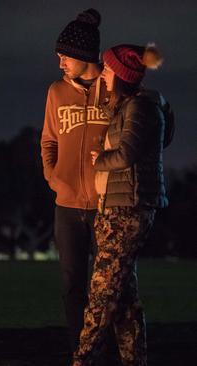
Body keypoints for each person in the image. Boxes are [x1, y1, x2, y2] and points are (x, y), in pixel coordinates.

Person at [73, 44, 170, 366]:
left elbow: (126, 154)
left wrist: (99, 160)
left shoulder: (140, 108)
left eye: (108, 69)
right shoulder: (128, 106)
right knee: (124, 299)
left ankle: (82, 361)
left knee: (100, 297)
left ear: (122, 75)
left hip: (127, 210)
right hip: (116, 207)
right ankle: (134, 360)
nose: (102, 73)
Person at [40, 8, 111, 353]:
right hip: (66, 205)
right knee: (72, 285)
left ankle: (109, 350)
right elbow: (49, 140)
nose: (60, 64)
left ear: (84, 56)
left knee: (109, 285)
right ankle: (79, 352)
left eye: (64, 57)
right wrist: (54, 178)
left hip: (107, 205)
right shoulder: (56, 92)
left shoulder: (115, 89)